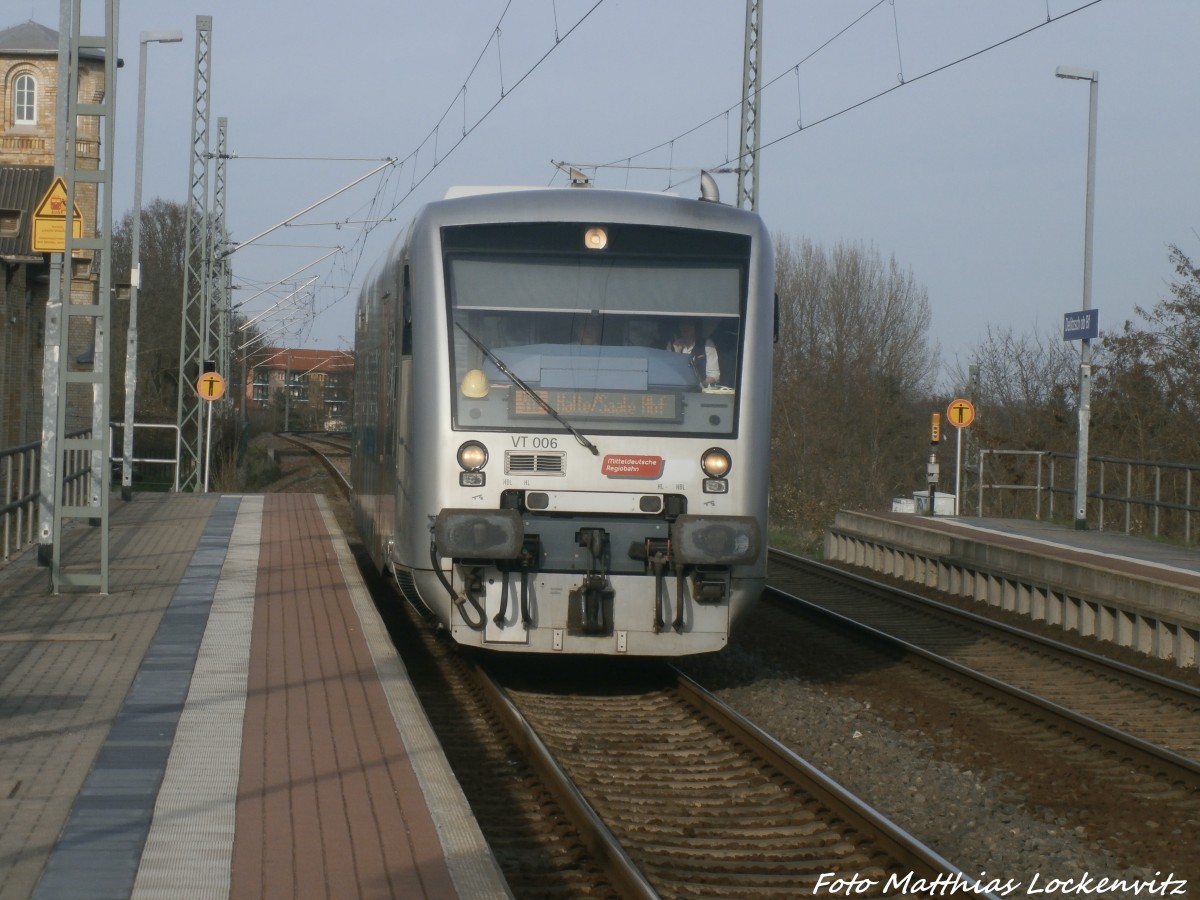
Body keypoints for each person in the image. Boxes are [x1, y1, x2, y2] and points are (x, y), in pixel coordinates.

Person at [668, 319, 720, 386]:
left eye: (689, 325)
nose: (686, 328)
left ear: (695, 327)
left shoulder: (706, 344)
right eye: (683, 325)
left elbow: (714, 374)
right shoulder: (672, 345)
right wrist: (677, 353)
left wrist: (700, 385)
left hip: (700, 392)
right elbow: (669, 373)